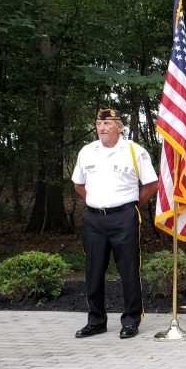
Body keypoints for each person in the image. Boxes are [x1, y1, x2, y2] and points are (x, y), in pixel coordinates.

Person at [71, 108, 158, 339]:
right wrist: (96, 202)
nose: (102, 128)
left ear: (120, 127)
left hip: (124, 218)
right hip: (94, 219)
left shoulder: (134, 151)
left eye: (108, 124)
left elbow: (151, 184)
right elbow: (79, 185)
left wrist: (130, 205)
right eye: (99, 123)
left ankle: (131, 320)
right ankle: (96, 321)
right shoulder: (87, 152)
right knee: (94, 270)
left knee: (129, 269)